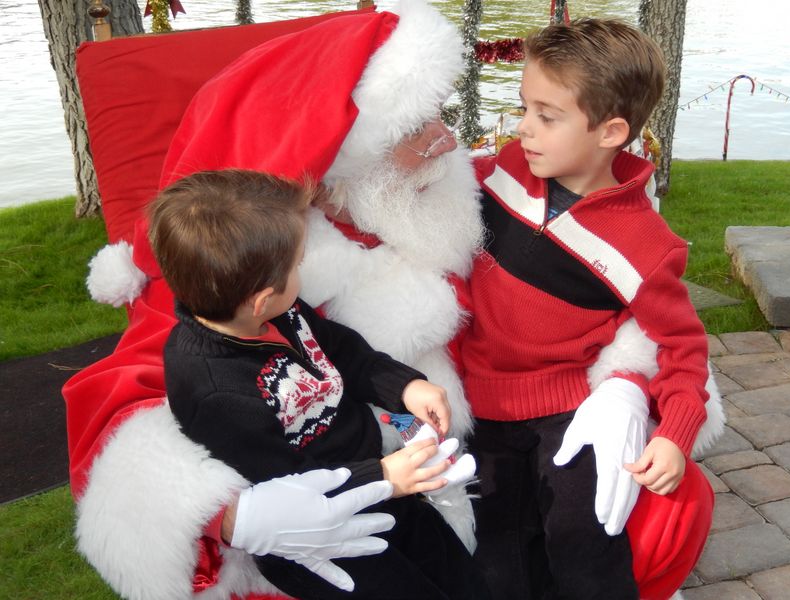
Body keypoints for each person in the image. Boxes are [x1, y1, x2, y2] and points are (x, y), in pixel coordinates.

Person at [65, 2, 719, 598]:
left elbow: (636, 301)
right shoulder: (266, 270)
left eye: (442, 116)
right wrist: (236, 513)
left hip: (485, 439)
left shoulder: (472, 195)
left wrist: (627, 385)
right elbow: (134, 418)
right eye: (416, 127)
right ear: (345, 160)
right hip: (383, 484)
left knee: (583, 538)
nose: (447, 142)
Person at [461, 19, 715, 600]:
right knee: (494, 559)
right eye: (524, 107)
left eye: (547, 116)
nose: (523, 128)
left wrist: (674, 433)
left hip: (568, 413)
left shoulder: (648, 247)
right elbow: (426, 190)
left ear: (611, 131)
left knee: (586, 545)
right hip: (479, 407)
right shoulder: (502, 173)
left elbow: (684, 348)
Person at [150, 169, 488, 599]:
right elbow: (284, 487)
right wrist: (383, 476)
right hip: (321, 537)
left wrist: (403, 386)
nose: (302, 268)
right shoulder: (215, 391)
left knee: (459, 576)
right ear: (260, 297)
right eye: (296, 264)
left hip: (378, 485)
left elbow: (340, 349)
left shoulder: (280, 312)